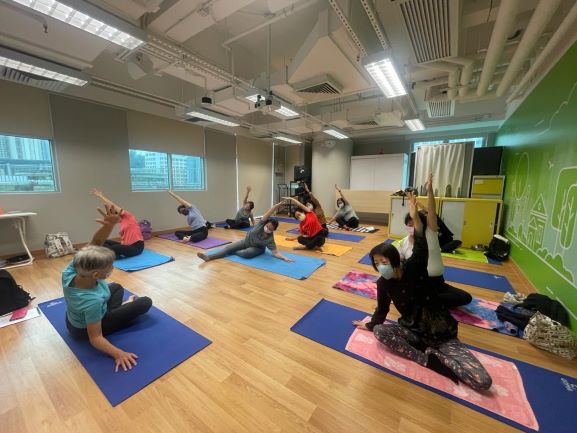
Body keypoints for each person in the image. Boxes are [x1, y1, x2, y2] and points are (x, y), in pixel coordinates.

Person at [352, 193, 491, 391]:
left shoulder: (414, 267)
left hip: (441, 334)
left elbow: (420, 242)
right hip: (413, 332)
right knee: (379, 331)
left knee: (482, 382)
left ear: (395, 260)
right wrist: (369, 324)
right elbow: (382, 309)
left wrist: (415, 216)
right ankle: (426, 358)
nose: (380, 266)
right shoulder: (383, 283)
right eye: (376, 263)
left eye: (384, 262)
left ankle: (437, 354)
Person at [63, 204, 152, 372]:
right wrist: (119, 354)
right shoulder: (92, 302)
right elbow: (95, 338)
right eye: (110, 268)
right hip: (84, 331)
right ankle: (117, 311)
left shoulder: (71, 270)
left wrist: (109, 225)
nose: (112, 269)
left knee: (117, 287)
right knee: (145, 302)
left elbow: (95, 243)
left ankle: (117, 310)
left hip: (73, 319)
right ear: (96, 275)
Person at [396, 174, 472, 308]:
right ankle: (425, 299)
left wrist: (430, 191)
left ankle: (426, 300)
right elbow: (398, 266)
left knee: (465, 298)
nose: (412, 226)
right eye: (409, 224)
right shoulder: (402, 243)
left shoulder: (430, 234)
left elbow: (431, 211)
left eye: (415, 223)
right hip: (419, 284)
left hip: (438, 283)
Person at [197, 201, 294, 262]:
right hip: (246, 241)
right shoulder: (261, 224)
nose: (267, 228)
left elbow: (275, 253)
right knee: (228, 248)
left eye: (270, 228)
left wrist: (284, 258)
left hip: (257, 248)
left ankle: (234, 252)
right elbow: (268, 214)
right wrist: (276, 206)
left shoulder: (270, 239)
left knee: (246, 254)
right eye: (267, 226)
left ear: (273, 230)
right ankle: (209, 257)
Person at [90, 189, 144, 259]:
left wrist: (100, 196)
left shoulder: (128, 217)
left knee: (114, 248)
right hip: (126, 245)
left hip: (136, 247)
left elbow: (113, 205)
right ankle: (114, 254)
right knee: (104, 241)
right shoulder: (121, 223)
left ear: (117, 214)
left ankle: (110, 254)